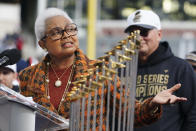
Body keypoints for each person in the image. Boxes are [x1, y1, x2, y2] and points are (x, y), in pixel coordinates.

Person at [19, 8, 187, 130]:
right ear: (42, 43)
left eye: (70, 29)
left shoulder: (101, 71)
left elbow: (130, 113)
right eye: (56, 32)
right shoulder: (28, 76)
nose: (66, 36)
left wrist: (152, 104)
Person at [124, 9, 196, 131]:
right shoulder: (120, 70)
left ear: (159, 34)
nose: (139, 38)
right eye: (133, 33)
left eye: (144, 32)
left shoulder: (180, 68)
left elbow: (193, 115)